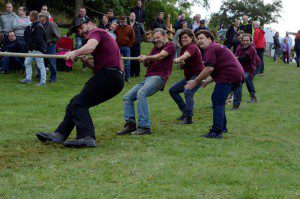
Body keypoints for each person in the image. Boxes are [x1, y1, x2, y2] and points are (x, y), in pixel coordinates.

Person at [36, 18, 124, 148]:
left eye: (81, 27)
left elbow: (90, 46)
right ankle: (60, 134)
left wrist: (74, 52)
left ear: (89, 24)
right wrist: (87, 62)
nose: (80, 32)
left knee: (79, 103)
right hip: (112, 78)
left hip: (109, 76)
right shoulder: (100, 36)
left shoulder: (96, 31)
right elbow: (97, 67)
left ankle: (86, 137)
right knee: (75, 102)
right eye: (77, 30)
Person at [185, 30, 244, 139]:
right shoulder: (216, 47)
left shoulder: (210, 48)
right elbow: (218, 67)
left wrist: (195, 81)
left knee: (217, 100)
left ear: (209, 39)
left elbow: (209, 68)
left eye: (202, 38)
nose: (199, 41)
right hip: (237, 76)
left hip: (229, 76)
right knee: (219, 101)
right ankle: (222, 127)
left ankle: (216, 132)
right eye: (197, 39)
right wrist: (206, 81)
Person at [116, 28, 175, 135]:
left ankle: (144, 127)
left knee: (141, 93)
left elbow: (161, 56)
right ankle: (130, 125)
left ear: (165, 36)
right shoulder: (155, 48)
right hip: (148, 77)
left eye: (158, 37)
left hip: (159, 77)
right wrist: (145, 60)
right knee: (127, 97)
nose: (156, 40)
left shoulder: (170, 45)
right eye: (155, 38)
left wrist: (146, 57)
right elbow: (148, 63)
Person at [170, 29, 204, 124]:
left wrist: (180, 58)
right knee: (173, 91)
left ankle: (189, 118)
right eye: (182, 38)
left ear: (191, 37)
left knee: (188, 91)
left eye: (186, 37)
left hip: (198, 76)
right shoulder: (183, 48)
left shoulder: (192, 47)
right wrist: (181, 63)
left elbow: (186, 55)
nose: (183, 39)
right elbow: (183, 64)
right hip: (189, 77)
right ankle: (185, 112)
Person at [20, 11, 47, 86]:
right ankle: (28, 78)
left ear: (32, 17)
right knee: (27, 62)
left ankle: (43, 82)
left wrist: (36, 48)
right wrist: (29, 46)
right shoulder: (33, 25)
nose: (29, 17)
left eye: (30, 16)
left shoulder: (38, 26)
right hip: (32, 49)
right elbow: (30, 37)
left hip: (38, 49)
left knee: (40, 65)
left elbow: (38, 39)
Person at [232, 34, 258, 110]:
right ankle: (253, 97)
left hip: (249, 70)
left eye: (247, 40)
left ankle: (236, 105)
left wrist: (236, 58)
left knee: (238, 83)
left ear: (250, 41)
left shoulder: (252, 49)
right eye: (243, 40)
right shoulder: (239, 47)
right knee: (248, 82)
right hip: (240, 70)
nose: (245, 42)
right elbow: (235, 56)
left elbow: (244, 58)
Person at [39, 12, 61, 83]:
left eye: (40, 17)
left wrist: (51, 42)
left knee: (51, 62)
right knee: (39, 60)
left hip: (50, 45)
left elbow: (57, 36)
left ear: (45, 18)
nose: (39, 18)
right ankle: (40, 76)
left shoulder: (51, 25)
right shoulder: (39, 24)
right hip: (42, 45)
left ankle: (53, 78)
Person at [115, 15, 135, 82]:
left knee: (127, 63)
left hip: (126, 47)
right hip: (118, 47)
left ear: (126, 20)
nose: (123, 20)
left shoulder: (129, 28)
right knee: (117, 62)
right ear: (120, 20)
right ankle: (118, 77)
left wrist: (129, 45)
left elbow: (133, 37)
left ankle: (127, 78)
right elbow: (112, 34)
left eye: (124, 19)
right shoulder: (117, 27)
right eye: (122, 19)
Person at [129, 12, 145, 77]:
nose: (132, 17)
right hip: (129, 45)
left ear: (135, 17)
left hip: (136, 45)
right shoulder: (127, 25)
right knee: (130, 59)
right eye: (131, 16)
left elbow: (143, 34)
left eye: (133, 16)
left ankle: (137, 74)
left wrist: (139, 40)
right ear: (129, 17)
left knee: (137, 58)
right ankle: (131, 73)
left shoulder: (139, 25)